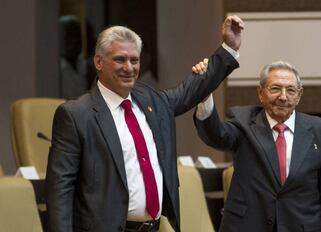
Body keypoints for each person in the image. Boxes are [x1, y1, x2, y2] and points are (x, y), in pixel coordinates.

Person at [46, 15, 244, 232]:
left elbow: (189, 91)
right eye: (120, 59)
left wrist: (228, 48)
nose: (129, 68)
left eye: (135, 60)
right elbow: (59, 191)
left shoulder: (149, 100)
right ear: (99, 62)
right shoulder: (76, 114)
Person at [193, 61, 321, 232]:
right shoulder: (244, 122)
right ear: (261, 92)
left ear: (299, 94)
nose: (283, 97)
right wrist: (205, 95)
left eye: (290, 90)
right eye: (275, 89)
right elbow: (216, 136)